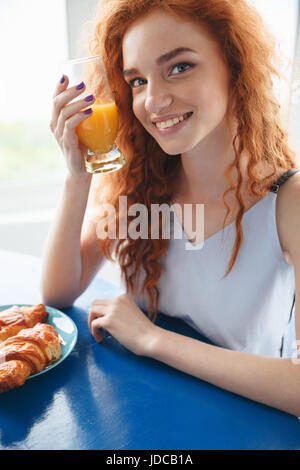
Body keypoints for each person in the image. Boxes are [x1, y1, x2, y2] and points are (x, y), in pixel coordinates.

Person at [43, 0, 300, 417]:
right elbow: (58, 293)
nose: (154, 100)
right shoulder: (141, 187)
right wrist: (79, 174)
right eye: (138, 81)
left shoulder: (288, 201)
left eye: (179, 67)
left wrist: (152, 340)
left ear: (233, 65)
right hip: (141, 417)